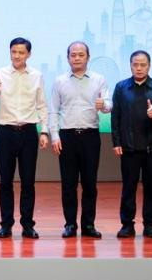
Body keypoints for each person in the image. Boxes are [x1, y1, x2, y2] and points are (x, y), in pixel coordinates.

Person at [0, 37, 49, 239]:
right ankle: (6, 225)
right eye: (14, 52)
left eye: (21, 52)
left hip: (28, 132)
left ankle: (27, 225)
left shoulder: (37, 75)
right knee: (5, 181)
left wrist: (44, 131)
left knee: (28, 181)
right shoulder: (0, 73)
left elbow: (42, 105)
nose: (17, 56)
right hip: (5, 132)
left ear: (28, 54)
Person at [49, 41, 111, 239]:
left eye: (81, 54)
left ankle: (88, 225)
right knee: (68, 184)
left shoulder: (99, 79)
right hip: (67, 137)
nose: (77, 58)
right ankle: (70, 224)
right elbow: (53, 110)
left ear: (88, 57)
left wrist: (103, 105)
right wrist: (54, 135)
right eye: (73, 55)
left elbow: (108, 105)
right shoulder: (59, 81)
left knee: (90, 183)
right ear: (68, 58)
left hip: (90, 136)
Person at [111, 50, 152, 239]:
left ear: (149, 66)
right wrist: (116, 142)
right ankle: (127, 225)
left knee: (151, 187)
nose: (139, 68)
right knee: (129, 187)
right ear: (130, 66)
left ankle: (150, 225)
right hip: (129, 147)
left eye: (143, 65)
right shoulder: (121, 87)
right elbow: (115, 117)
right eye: (135, 64)